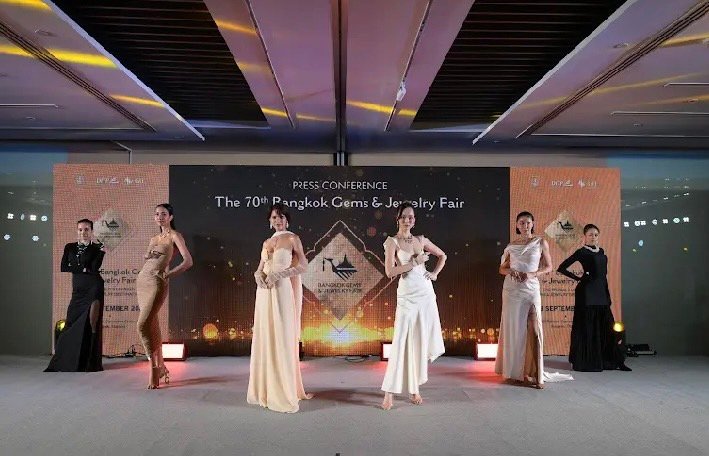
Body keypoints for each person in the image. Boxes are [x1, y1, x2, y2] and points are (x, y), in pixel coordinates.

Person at [381, 202, 447, 410]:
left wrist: (434, 274)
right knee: (401, 340)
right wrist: (414, 263)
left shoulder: (421, 240)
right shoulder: (392, 242)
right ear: (397, 219)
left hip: (425, 293)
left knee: (419, 340)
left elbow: (442, 256)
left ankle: (414, 388)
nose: (407, 220)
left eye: (411, 217)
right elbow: (390, 272)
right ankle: (389, 392)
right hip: (407, 295)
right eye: (404, 217)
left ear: (414, 220)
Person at [247, 203, 313, 413]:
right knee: (265, 334)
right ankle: (265, 389)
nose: (278, 221)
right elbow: (260, 267)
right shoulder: (266, 242)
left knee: (282, 335)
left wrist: (280, 274)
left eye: (281, 217)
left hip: (282, 289)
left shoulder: (293, 238)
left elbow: (303, 265)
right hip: (264, 292)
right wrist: (257, 275)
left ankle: (284, 390)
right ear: (270, 220)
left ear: (287, 220)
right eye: (274, 217)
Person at [496, 211, 572, 388]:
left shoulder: (540, 242)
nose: (525, 225)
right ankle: (515, 372)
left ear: (533, 224)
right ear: (517, 225)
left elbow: (549, 266)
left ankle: (537, 376)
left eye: (528, 222)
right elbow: (502, 269)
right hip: (512, 290)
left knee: (535, 329)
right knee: (514, 330)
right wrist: (512, 271)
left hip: (531, 289)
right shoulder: (511, 246)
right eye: (521, 223)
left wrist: (532, 274)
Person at [557, 224, 631, 372]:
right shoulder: (582, 252)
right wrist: (579, 278)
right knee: (589, 327)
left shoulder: (601, 251)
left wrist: (607, 294)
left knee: (608, 327)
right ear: (584, 236)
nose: (593, 237)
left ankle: (614, 360)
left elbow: (603, 277)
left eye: (596, 235)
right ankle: (589, 361)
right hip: (587, 294)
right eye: (590, 234)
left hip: (601, 292)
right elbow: (562, 267)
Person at [136, 203, 192, 389]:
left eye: (164, 214)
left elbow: (188, 261)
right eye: (157, 214)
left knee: (142, 325)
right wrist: (148, 256)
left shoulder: (175, 236)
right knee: (152, 324)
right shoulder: (154, 238)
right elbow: (148, 258)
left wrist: (169, 274)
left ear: (170, 217)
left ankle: (154, 368)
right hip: (142, 281)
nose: (160, 217)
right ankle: (160, 367)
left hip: (157, 282)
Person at [45, 219, 105, 372]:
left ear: (91, 231)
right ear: (77, 231)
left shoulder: (96, 248)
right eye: (80, 229)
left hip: (94, 287)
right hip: (78, 289)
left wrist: (100, 253)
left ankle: (90, 362)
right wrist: (83, 268)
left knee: (92, 323)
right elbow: (64, 266)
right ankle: (66, 359)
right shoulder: (70, 247)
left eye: (86, 229)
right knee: (71, 321)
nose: (83, 232)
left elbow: (94, 268)